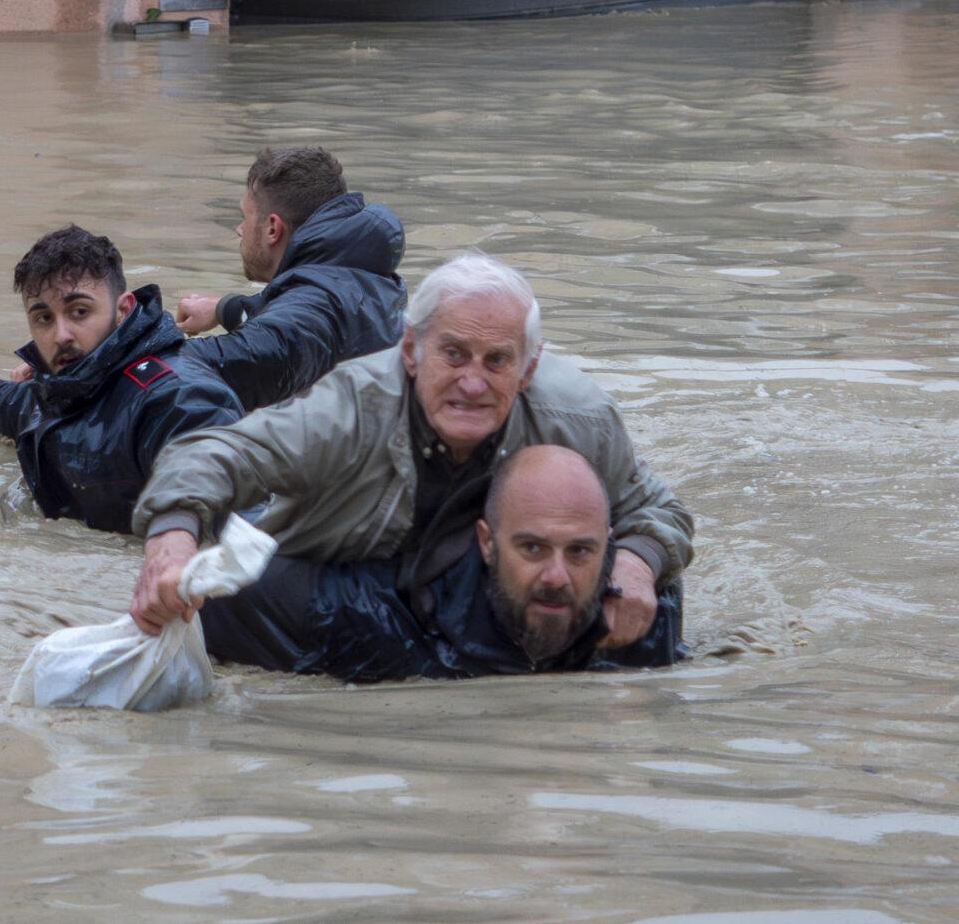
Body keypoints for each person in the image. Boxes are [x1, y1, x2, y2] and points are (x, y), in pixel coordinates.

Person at [127, 251, 693, 654]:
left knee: (656, 600)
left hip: (468, 579)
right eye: (453, 353)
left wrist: (638, 564)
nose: (473, 383)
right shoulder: (349, 408)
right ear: (411, 351)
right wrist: (172, 540)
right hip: (343, 571)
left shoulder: (580, 419)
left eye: (496, 361)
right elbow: (214, 454)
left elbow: (658, 512)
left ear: (529, 369)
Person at [0, 226, 241, 536]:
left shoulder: (177, 397)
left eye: (79, 312)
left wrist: (175, 537)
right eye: (44, 318)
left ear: (123, 310)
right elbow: (21, 405)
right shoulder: (68, 384)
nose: (60, 335)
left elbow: (218, 483)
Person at [198, 446, 652, 682]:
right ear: (487, 543)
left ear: (607, 547)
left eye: (580, 552)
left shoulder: (641, 618)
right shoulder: (372, 615)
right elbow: (220, 592)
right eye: (532, 549)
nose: (557, 577)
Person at [167, 145, 408, 411]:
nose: (239, 230)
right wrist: (224, 309)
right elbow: (295, 319)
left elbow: (258, 352)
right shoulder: (360, 276)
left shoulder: (313, 309)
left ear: (272, 228)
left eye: (244, 218)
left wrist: (132, 348)